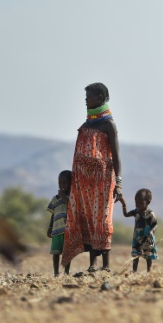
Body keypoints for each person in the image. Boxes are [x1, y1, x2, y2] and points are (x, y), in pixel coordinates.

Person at [62, 82, 123, 273]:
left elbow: (116, 155)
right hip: (83, 182)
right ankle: (93, 264)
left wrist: (118, 183)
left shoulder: (108, 124)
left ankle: (105, 265)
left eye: (90, 97)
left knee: (103, 221)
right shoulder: (87, 123)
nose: (86, 100)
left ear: (101, 98)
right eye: (86, 97)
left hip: (103, 181)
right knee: (88, 220)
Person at [119, 188, 158, 272]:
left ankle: (149, 271)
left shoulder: (151, 214)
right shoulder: (135, 212)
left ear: (148, 202)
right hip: (137, 238)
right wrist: (123, 203)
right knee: (135, 255)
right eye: (136, 202)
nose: (137, 205)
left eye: (140, 203)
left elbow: (155, 225)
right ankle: (134, 271)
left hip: (147, 238)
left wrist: (151, 231)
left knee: (148, 256)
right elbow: (126, 214)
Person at [46, 170, 72, 277]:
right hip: (56, 230)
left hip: (68, 230)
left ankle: (66, 273)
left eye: (64, 183)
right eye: (60, 183)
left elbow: (71, 207)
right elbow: (53, 214)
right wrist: (50, 227)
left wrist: (64, 197)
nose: (62, 186)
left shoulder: (72, 197)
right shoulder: (55, 199)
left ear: (71, 184)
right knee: (55, 253)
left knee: (67, 253)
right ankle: (56, 273)